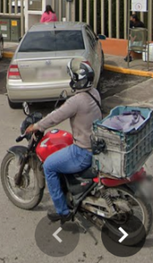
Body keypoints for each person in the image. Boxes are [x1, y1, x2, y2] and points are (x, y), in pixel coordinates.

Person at [24, 60, 102, 223]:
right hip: (95, 146)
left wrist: (36, 126)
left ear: (77, 80)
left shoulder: (77, 101)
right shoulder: (94, 93)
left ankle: (62, 211)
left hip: (82, 152)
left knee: (49, 166)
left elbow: (55, 117)